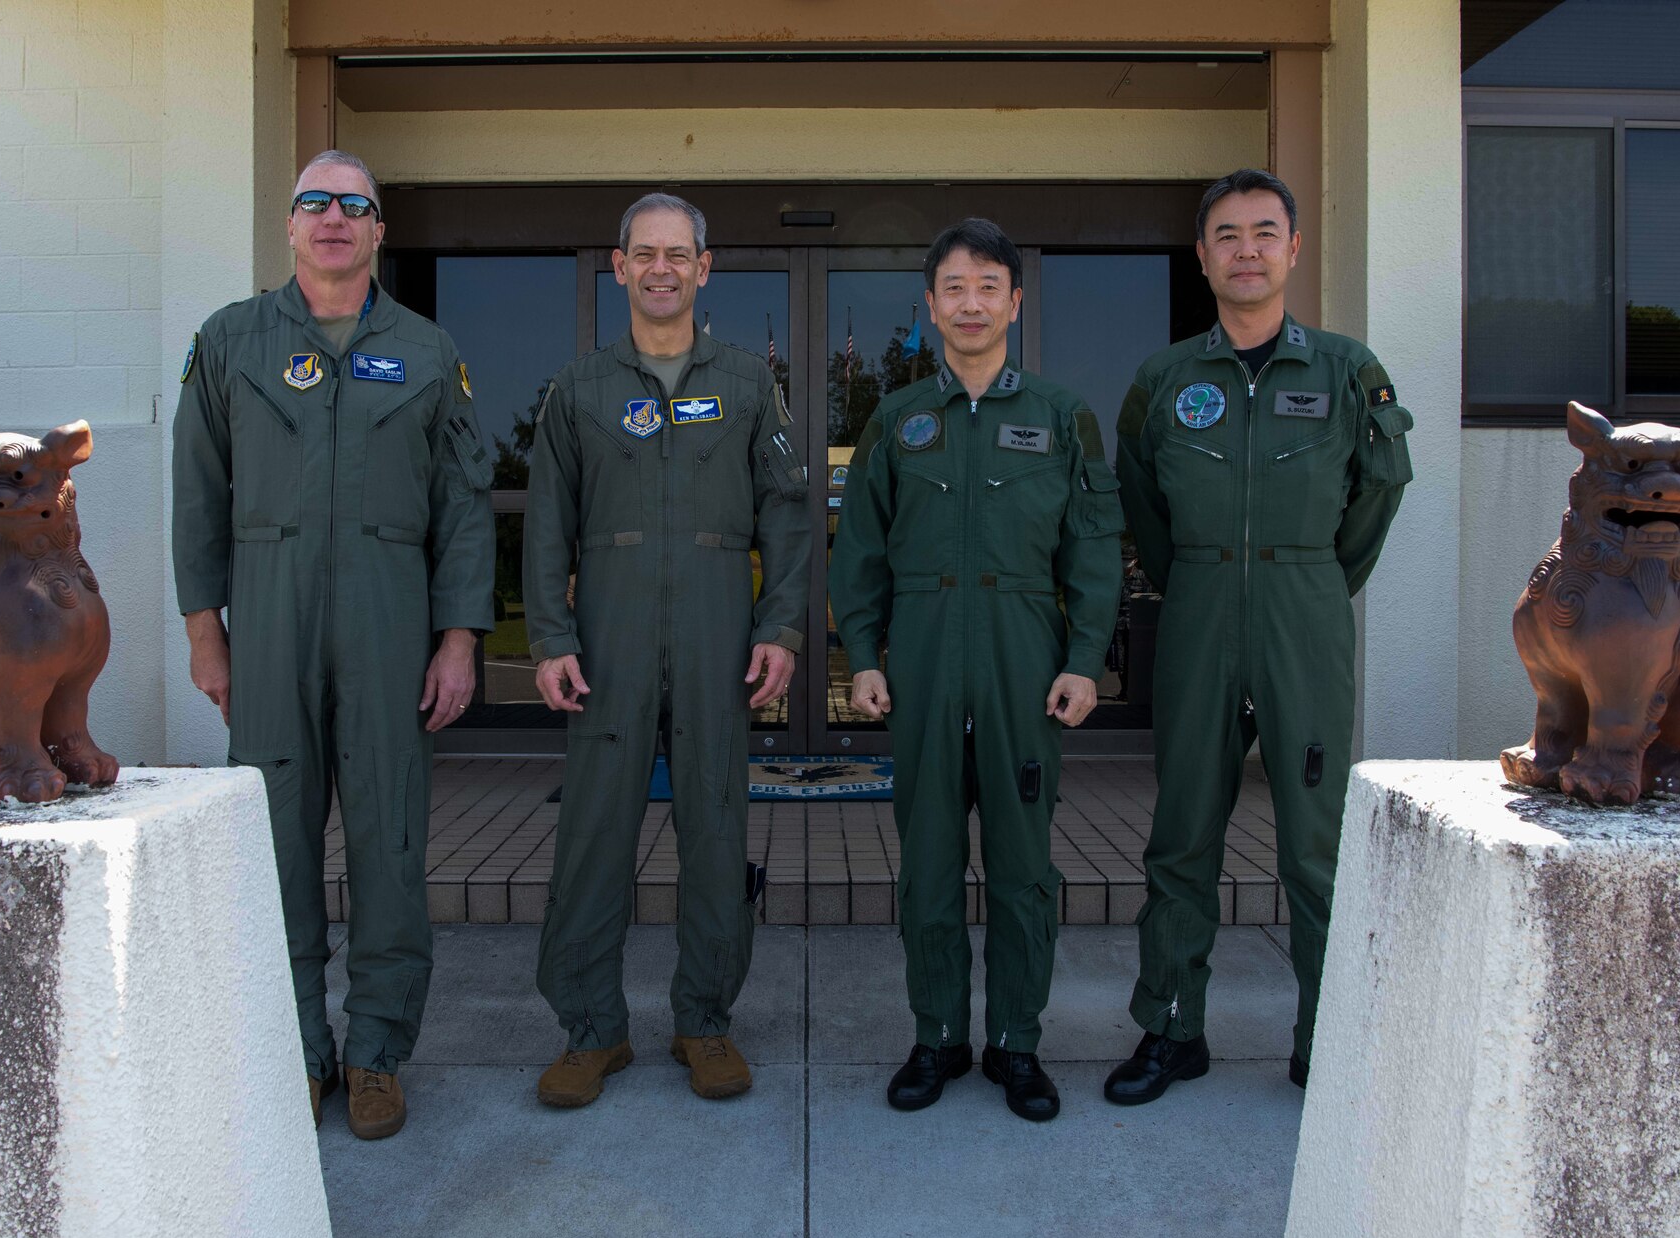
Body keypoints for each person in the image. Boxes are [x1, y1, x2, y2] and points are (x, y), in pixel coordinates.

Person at [172, 149, 496, 1140]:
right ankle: (298, 1051)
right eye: (314, 201)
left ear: (377, 232)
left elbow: (464, 507)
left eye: (354, 205)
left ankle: (376, 1053)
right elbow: (197, 495)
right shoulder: (230, 340)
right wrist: (205, 633)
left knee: (391, 841)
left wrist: (458, 640)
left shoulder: (428, 351)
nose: (333, 217)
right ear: (290, 224)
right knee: (275, 842)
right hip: (269, 618)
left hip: (389, 617)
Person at [1107, 168, 1413, 1105]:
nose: (1247, 251)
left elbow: (1378, 494)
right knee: (1181, 834)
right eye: (1227, 236)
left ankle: (1326, 1044)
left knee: (1315, 846)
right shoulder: (1164, 380)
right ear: (1202, 257)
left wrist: (1309, 579)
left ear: (1293, 249)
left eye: (1264, 233)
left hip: (1304, 614)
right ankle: (1171, 1029)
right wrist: (1200, 578)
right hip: (1197, 611)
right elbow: (1142, 504)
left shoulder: (1347, 370)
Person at [828, 218, 1124, 1122]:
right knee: (926, 864)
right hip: (921, 657)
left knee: (1023, 865)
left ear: (1015, 302)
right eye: (953, 287)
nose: (970, 303)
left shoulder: (1060, 416)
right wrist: (863, 657)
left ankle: (1017, 1044)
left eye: (988, 286)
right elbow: (860, 551)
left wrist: (1084, 661)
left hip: (1022, 658)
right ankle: (938, 1038)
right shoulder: (897, 419)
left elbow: (1093, 551)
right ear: (930, 304)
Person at [524, 193, 810, 1108]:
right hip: (607, 641)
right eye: (644, 254)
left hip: (717, 637)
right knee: (592, 838)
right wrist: (550, 638)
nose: (660, 269)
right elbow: (545, 526)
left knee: (717, 834)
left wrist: (780, 628)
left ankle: (705, 1022)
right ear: (619, 268)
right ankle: (591, 1032)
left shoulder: (750, 383)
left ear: (703, 267)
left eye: (677, 254)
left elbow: (788, 516)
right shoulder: (579, 388)